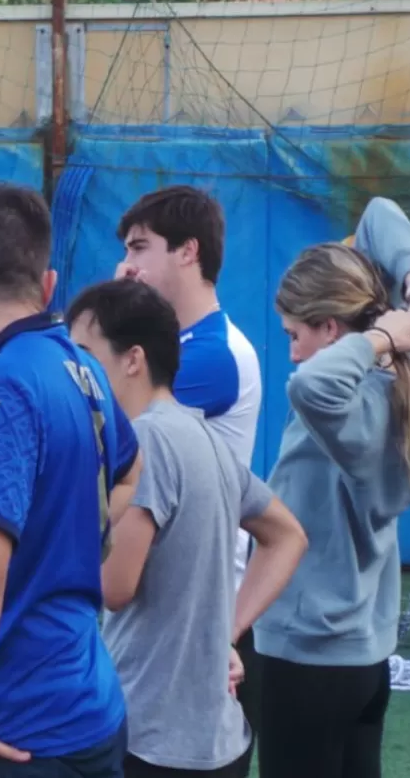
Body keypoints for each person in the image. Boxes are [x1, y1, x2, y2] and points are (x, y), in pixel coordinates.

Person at [0, 181, 142, 778]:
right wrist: (78, 536)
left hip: (20, 733)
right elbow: (132, 467)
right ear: (49, 285)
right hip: (91, 706)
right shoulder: (82, 367)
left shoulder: (0, 387)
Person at [67, 279, 307, 778]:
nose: (75, 373)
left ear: (133, 359)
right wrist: (229, 631)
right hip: (217, 740)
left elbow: (114, 587)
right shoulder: (205, 437)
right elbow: (287, 536)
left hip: (151, 737)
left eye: (85, 355)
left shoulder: (144, 441)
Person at [254, 196, 410, 778]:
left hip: (308, 658)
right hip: (363, 658)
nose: (291, 348)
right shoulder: (400, 380)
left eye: (296, 333)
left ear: (331, 328)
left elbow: (311, 386)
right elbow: (379, 211)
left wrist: (378, 336)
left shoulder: (352, 403)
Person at [113, 185, 263, 758]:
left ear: (188, 252)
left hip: (183, 608)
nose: (128, 264)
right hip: (161, 592)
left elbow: (96, 426)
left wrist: (112, 310)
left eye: (140, 248)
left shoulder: (208, 356)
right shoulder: (172, 347)